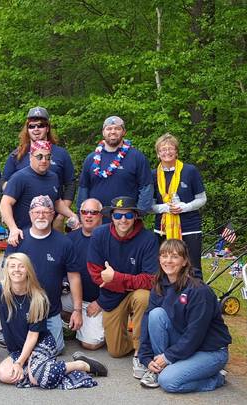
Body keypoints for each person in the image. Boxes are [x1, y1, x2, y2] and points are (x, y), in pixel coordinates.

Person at [0, 252, 106, 389]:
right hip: (17, 348)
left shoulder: (38, 298)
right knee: (3, 375)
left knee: (36, 377)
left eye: (21, 266)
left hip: (41, 343)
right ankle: (39, 368)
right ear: (7, 270)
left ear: (28, 270)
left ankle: (79, 365)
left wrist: (19, 363)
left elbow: (33, 335)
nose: (16, 270)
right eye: (12, 266)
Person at [137, 239, 231, 392]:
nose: (168, 261)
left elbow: (195, 334)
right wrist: (146, 359)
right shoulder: (159, 286)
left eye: (174, 256)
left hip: (210, 350)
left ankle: (216, 378)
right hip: (184, 343)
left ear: (185, 261)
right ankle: (158, 368)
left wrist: (167, 358)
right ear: (159, 259)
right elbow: (147, 323)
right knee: (155, 315)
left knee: (168, 381)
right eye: (164, 256)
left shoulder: (199, 291)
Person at [86, 196, 159, 378]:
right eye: (118, 216)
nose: (123, 220)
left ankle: (141, 353)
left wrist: (116, 278)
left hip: (136, 293)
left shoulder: (148, 239)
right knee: (116, 351)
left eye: (128, 215)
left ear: (136, 216)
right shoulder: (99, 235)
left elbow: (151, 279)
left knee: (144, 297)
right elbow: (96, 274)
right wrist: (123, 282)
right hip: (111, 296)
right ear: (111, 217)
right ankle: (136, 338)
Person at [5, 195, 82, 354]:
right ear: (30, 214)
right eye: (37, 212)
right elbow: (7, 276)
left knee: (56, 349)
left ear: (53, 214)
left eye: (46, 212)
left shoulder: (64, 243)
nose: (41, 216)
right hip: (22, 310)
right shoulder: (17, 240)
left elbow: (74, 277)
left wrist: (77, 310)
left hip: (50, 310)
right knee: (18, 349)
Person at [3, 107, 76, 231]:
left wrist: (63, 215)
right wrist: (13, 191)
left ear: (47, 128)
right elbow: (3, 186)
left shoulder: (60, 156)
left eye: (40, 125)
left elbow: (69, 185)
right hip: (23, 225)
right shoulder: (17, 155)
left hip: (51, 221)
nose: (36, 129)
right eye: (32, 126)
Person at [151, 133, 207, 278]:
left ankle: (196, 297)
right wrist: (165, 208)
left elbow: (202, 199)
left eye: (171, 149)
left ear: (176, 151)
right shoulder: (152, 175)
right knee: (165, 266)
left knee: (192, 267)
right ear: (158, 154)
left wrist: (184, 207)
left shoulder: (190, 171)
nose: (167, 152)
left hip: (189, 227)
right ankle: (167, 297)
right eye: (163, 149)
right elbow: (149, 205)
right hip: (163, 229)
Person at [0, 140, 75, 247]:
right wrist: (13, 228)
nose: (44, 160)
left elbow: (57, 202)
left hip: (46, 235)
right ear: (31, 157)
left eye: (48, 157)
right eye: (39, 157)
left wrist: (72, 215)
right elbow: (4, 204)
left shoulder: (53, 177)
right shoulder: (19, 177)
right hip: (22, 237)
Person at [77, 116, 154, 217]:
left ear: (124, 132)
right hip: (96, 219)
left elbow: (146, 188)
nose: (113, 132)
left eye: (117, 128)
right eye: (109, 128)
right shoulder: (91, 158)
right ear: (103, 132)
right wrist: (81, 215)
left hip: (125, 220)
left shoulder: (137, 157)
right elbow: (83, 188)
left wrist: (138, 215)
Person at [62, 198, 105, 350]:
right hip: (73, 298)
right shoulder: (69, 239)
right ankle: (73, 322)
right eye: (84, 212)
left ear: (101, 215)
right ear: (79, 214)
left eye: (93, 212)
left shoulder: (110, 237)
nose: (88, 216)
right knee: (46, 299)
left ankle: (87, 324)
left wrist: (102, 302)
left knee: (90, 344)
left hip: (98, 301)